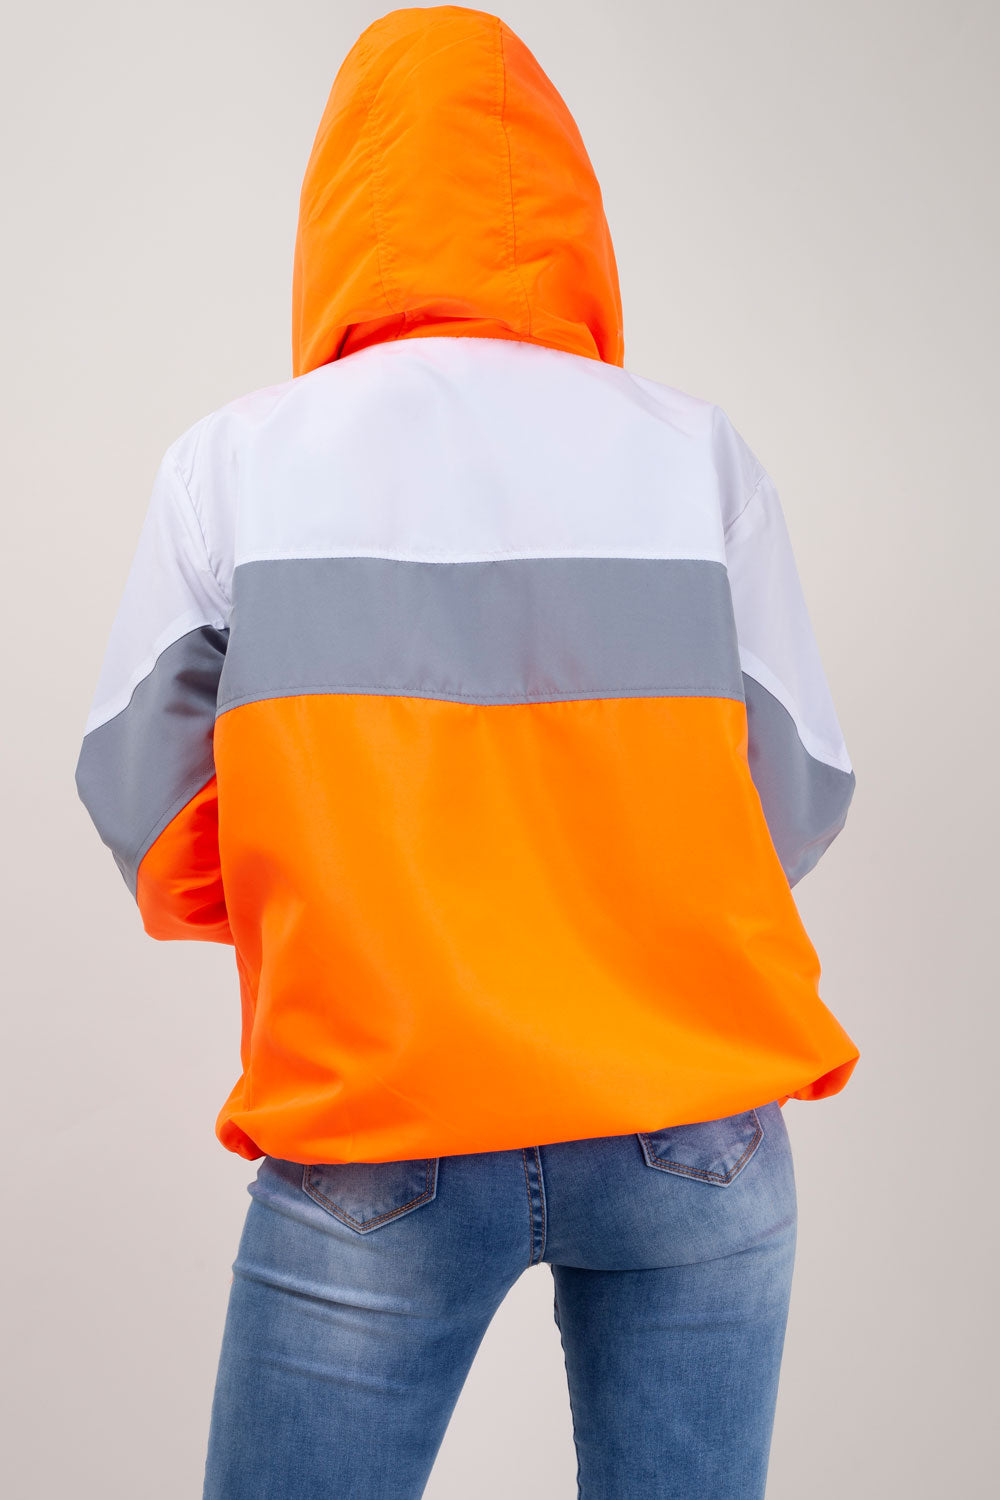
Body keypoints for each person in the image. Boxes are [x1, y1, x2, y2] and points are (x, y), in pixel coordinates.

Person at [73, 6, 860, 1496]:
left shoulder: (236, 462)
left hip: (382, 1110)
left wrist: (343, 892)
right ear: (569, 205)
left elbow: (142, 802)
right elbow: (799, 796)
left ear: (340, 206)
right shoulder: (695, 453)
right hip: (688, 1121)